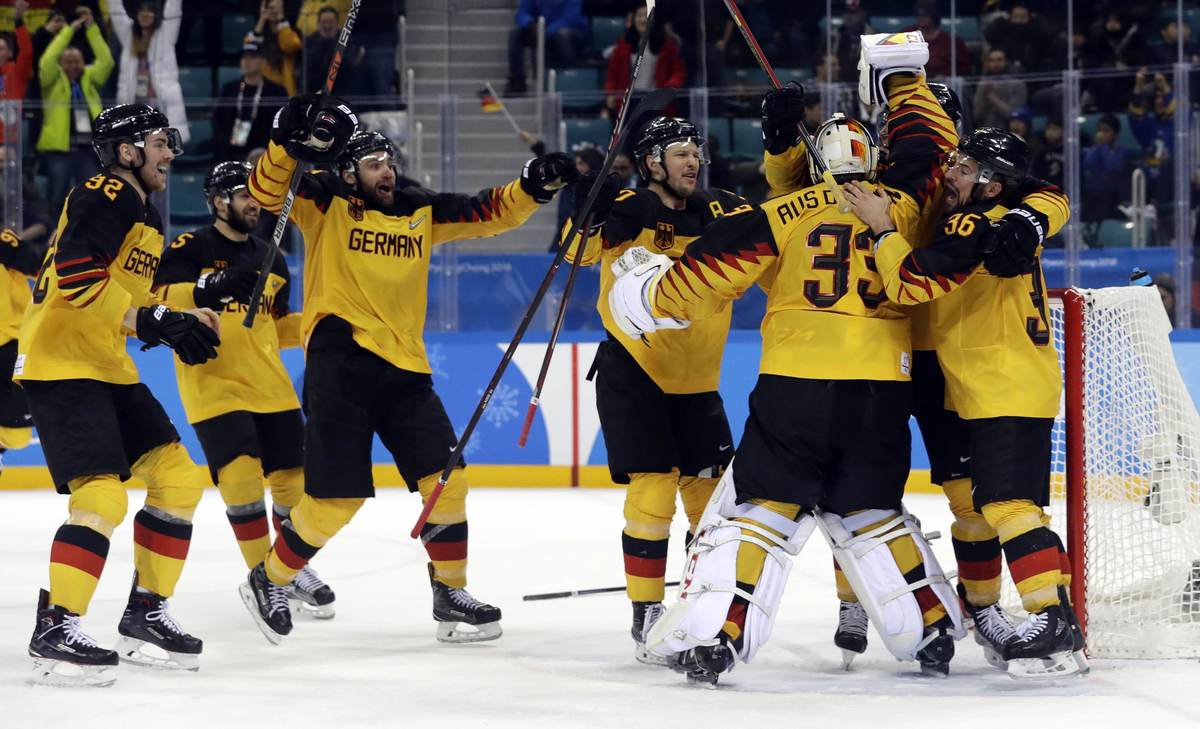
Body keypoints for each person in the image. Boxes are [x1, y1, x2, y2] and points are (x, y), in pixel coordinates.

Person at [607, 34, 971, 685]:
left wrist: (645, 294)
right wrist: (902, 81)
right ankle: (932, 628)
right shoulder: (907, 206)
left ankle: (721, 634)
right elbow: (927, 147)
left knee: (761, 512)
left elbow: (708, 272)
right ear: (874, 157)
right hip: (881, 387)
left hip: (795, 385)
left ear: (814, 161)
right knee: (871, 511)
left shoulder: (782, 212)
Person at [239, 104, 576, 644]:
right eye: (374, 164)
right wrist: (285, 141)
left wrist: (533, 186)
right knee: (334, 501)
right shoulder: (324, 200)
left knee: (448, 481)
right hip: (340, 362)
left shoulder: (418, 208)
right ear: (349, 172)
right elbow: (265, 190)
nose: (387, 172)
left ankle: (450, 594)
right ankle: (270, 578)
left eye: (388, 162)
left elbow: (488, 211)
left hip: (405, 370)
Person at [842, 127, 1088, 679]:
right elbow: (1045, 194)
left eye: (962, 166)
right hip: (978, 384)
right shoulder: (995, 215)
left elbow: (911, 282)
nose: (948, 172)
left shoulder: (974, 223)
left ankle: (1051, 618)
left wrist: (883, 229)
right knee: (984, 508)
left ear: (991, 184)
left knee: (1009, 507)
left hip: (1004, 382)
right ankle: (1001, 613)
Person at [22, 103, 221, 687]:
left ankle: (145, 614)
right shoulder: (107, 190)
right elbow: (77, 273)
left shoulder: (143, 213)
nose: (171, 153)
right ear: (127, 152)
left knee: (178, 479)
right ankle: (57, 626)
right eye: (160, 142)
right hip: (62, 363)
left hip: (105, 363)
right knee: (102, 496)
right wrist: (152, 318)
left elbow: (133, 297)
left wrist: (181, 313)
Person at [561, 116, 748, 665]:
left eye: (696, 151)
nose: (693, 161)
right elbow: (576, 255)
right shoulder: (630, 208)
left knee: (712, 505)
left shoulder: (720, 210)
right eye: (680, 152)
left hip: (699, 381)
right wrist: (584, 210)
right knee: (654, 489)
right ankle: (646, 614)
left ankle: (699, 605)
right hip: (635, 371)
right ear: (651, 163)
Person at [153, 160, 336, 619]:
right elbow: (154, 297)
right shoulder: (191, 245)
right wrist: (209, 285)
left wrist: (324, 325)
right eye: (244, 196)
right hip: (214, 385)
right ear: (219, 202)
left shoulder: (271, 254)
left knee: (295, 483)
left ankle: (288, 567)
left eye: (258, 196)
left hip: (271, 386)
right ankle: (262, 578)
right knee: (240, 478)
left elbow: (277, 323)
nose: (256, 204)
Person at [36, 6, 113, 217]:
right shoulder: (52, 81)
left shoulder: (90, 78)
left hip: (87, 151)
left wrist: (91, 29)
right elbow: (47, 60)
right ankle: (54, 233)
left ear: (83, 63)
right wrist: (68, 31)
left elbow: (106, 61)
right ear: (61, 64)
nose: (72, 66)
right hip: (59, 152)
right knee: (56, 199)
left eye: (77, 61)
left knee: (93, 197)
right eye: (68, 62)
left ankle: (88, 231)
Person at [110, 0, 190, 145]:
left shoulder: (166, 33)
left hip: (160, 104)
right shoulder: (128, 34)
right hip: (134, 104)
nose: (145, 15)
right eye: (142, 11)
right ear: (136, 15)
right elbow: (116, 12)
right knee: (135, 150)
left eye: (149, 11)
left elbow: (173, 11)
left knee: (164, 148)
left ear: (156, 15)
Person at [0, 227, 44, 476]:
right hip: (11, 343)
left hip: (9, 343)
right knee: (16, 432)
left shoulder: (3, 243)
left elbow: (40, 267)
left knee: (16, 431)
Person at [212, 34, 287, 163]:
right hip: (232, 155)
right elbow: (218, 121)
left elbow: (281, 126)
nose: (246, 61)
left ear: (263, 61)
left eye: (252, 57)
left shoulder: (276, 92)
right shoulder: (229, 89)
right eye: (244, 57)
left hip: (265, 156)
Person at [604, 4, 684, 118]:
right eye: (639, 16)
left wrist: (668, 89)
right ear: (634, 19)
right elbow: (612, 74)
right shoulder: (623, 45)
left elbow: (678, 72)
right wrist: (611, 93)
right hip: (629, 100)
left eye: (647, 16)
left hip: (655, 100)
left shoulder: (667, 46)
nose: (642, 19)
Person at [505, 0, 588, 95]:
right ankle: (517, 80)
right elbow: (521, 14)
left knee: (563, 35)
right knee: (515, 34)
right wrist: (530, 23)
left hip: (573, 31)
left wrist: (545, 31)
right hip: (542, 30)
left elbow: (570, 18)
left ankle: (568, 78)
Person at [301, 5, 361, 95]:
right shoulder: (309, 41)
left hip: (342, 92)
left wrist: (333, 44)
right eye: (324, 22)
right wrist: (322, 44)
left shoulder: (347, 40)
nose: (327, 26)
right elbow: (307, 68)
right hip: (314, 92)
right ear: (318, 24)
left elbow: (350, 67)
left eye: (331, 22)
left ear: (337, 24)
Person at [0, 0, 32, 147]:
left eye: (0, 48)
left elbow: (26, 53)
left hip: (10, 142)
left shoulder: (16, 71)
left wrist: (18, 21)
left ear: (10, 53)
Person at [972, 48, 1027, 131]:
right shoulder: (982, 84)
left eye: (999, 60)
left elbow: (1014, 115)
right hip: (986, 131)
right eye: (992, 60)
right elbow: (976, 116)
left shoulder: (1017, 84)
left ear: (1006, 61)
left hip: (1009, 132)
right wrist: (983, 92)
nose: (995, 64)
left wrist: (992, 97)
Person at [256, 0, 300, 97]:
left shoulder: (291, 31)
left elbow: (290, 46)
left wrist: (281, 20)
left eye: (279, 7)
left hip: (285, 88)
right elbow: (250, 48)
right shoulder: (261, 33)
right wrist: (262, 19)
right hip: (263, 89)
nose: (275, 11)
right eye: (271, 8)